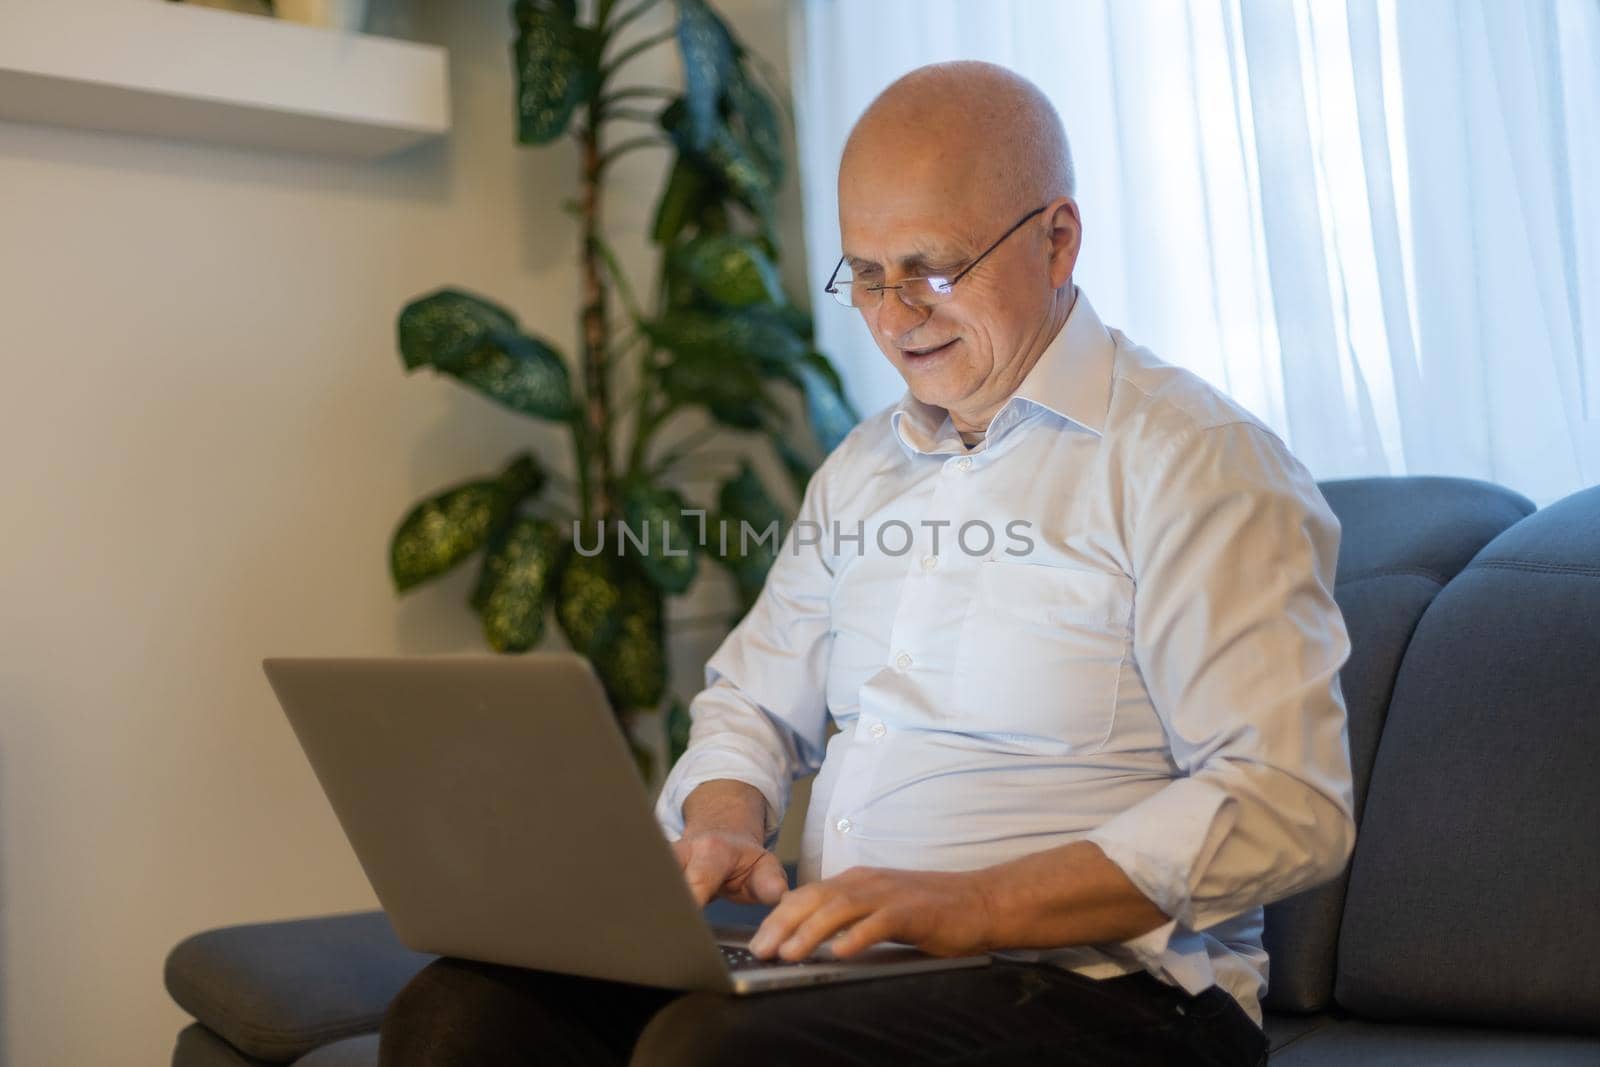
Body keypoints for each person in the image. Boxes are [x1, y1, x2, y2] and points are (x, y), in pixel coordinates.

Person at [379, 60, 1355, 1067]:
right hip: (860, 969)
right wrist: (723, 819)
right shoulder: (864, 468)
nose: (895, 317)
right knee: (464, 1009)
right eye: (868, 274)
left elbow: (1289, 800)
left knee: (713, 1050)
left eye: (932, 268)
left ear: (1057, 239)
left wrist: (971, 904)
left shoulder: (1197, 460)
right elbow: (750, 702)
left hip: (1116, 993)